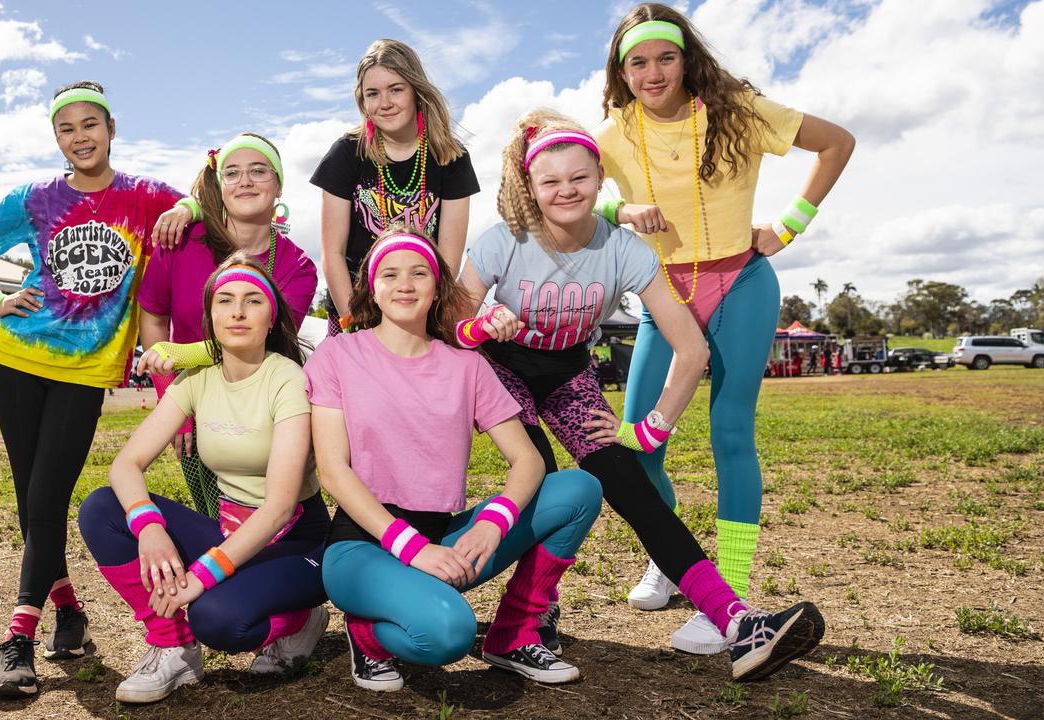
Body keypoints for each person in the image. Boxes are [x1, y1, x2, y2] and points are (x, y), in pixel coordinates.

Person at [459, 111, 824, 681]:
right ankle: (522, 624)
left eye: (578, 178)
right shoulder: (505, 239)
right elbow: (453, 314)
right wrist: (481, 322)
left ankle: (737, 624)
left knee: (631, 485)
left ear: (599, 178)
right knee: (545, 484)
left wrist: (653, 427)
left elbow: (691, 348)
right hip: (501, 371)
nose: (566, 191)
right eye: (550, 182)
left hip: (569, 375)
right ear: (530, 186)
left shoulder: (625, 249)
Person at [593, 3, 855, 654]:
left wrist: (789, 224)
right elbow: (571, 191)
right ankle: (677, 560)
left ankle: (726, 598)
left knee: (729, 433)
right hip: (664, 295)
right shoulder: (613, 133)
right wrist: (623, 207)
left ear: (687, 58)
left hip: (741, 282)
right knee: (638, 444)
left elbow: (836, 143)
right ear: (621, 71)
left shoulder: (737, 108)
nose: (653, 73)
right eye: (638, 62)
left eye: (665, 57)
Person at [0, 80, 191, 697]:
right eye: (67, 129)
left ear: (111, 128)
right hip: (18, 355)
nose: (80, 137)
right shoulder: (37, 199)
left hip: (86, 372)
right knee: (35, 500)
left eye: (90, 125)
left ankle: (20, 634)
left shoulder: (143, 196)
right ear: (56, 138)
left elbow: (197, 204)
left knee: (47, 496)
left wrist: (185, 208)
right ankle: (67, 616)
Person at [308, 226, 604, 692]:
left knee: (579, 489)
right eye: (390, 274)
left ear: (437, 287)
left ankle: (514, 632)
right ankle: (367, 632)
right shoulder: (338, 354)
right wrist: (412, 549)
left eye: (419, 272)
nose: (404, 284)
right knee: (448, 633)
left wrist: (494, 522)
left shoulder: (468, 365)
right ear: (371, 287)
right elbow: (332, 470)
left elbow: (528, 461)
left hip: (445, 542)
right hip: (363, 546)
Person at [79, 256, 328, 704]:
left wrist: (200, 575)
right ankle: (172, 644)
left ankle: (302, 617)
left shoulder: (288, 379)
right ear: (209, 316)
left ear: (271, 318)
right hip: (231, 530)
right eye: (225, 301)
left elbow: (278, 507)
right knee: (102, 508)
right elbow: (126, 464)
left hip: (294, 540)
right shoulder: (196, 379)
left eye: (252, 301)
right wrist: (148, 526)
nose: (237, 312)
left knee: (218, 620)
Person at [134, 132, 317, 516]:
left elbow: (270, 341)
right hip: (194, 402)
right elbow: (153, 314)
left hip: (260, 404)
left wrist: (182, 354)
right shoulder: (181, 241)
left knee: (277, 511)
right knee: (214, 515)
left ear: (279, 184)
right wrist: (173, 401)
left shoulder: (298, 267)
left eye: (258, 171)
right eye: (232, 173)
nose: (245, 181)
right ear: (220, 186)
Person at [311, 38, 479, 336]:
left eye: (396, 89)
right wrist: (353, 324)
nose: (384, 103)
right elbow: (333, 253)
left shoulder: (451, 158)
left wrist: (426, 321)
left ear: (416, 91)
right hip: (355, 310)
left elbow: (447, 260)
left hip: (418, 313)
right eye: (372, 93)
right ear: (362, 101)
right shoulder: (347, 153)